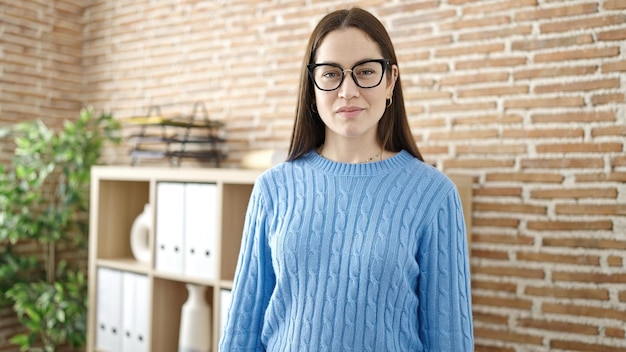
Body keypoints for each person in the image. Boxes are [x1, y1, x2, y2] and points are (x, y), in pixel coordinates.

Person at [219, 7, 474, 351]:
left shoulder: (434, 195)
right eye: (330, 74)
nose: (348, 90)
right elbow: (241, 329)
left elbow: (450, 340)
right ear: (312, 86)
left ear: (390, 81)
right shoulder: (273, 189)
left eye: (365, 72)